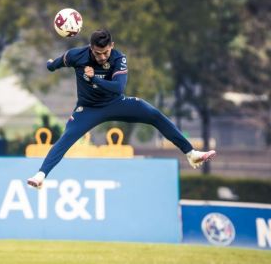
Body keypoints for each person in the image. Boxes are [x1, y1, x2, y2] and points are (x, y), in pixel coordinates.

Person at [27, 29, 216, 189]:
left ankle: (191, 154)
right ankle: (41, 175)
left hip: (117, 103)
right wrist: (50, 64)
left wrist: (94, 79)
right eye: (97, 53)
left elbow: (118, 87)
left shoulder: (119, 58)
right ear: (90, 48)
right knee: (66, 138)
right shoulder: (77, 55)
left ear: (112, 46)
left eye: (106, 52)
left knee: (154, 114)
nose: (102, 57)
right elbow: (55, 65)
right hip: (88, 108)